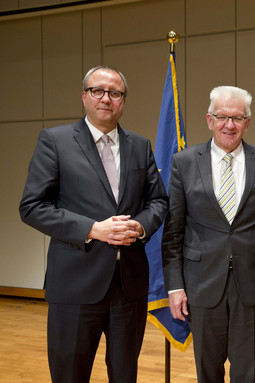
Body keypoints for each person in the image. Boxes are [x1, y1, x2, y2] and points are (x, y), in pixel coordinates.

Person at [19, 65, 168, 382]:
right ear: (84, 96)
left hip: (129, 287)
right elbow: (32, 206)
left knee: (125, 375)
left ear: (123, 101)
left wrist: (140, 227)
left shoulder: (139, 146)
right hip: (75, 285)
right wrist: (92, 229)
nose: (106, 98)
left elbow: (159, 201)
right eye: (98, 91)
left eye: (115, 93)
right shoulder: (55, 141)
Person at [162, 86, 255, 383]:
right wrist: (175, 286)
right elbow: (173, 230)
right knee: (208, 372)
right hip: (202, 284)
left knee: (245, 373)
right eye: (222, 116)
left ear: (248, 122)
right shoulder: (184, 162)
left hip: (251, 284)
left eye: (237, 117)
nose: (230, 124)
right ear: (209, 120)